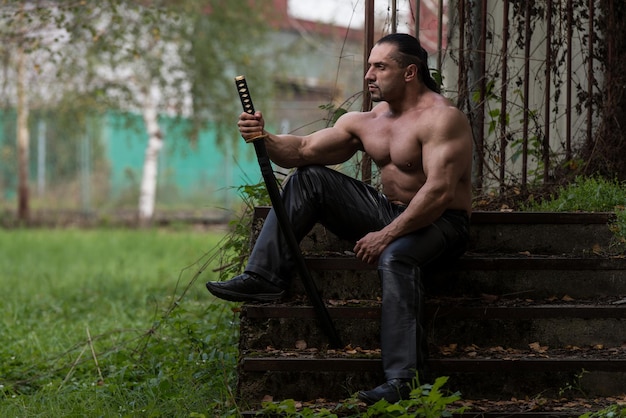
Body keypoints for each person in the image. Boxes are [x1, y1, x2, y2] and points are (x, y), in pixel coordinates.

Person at [206, 33, 473, 404]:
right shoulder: (368, 120)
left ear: (410, 72)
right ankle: (265, 276)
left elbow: (439, 192)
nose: (369, 75)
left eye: (380, 66)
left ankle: (404, 381)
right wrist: (263, 137)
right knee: (309, 177)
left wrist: (386, 236)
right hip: (392, 213)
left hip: (443, 224)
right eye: (369, 66)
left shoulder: (443, 119)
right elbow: (301, 151)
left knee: (397, 257)